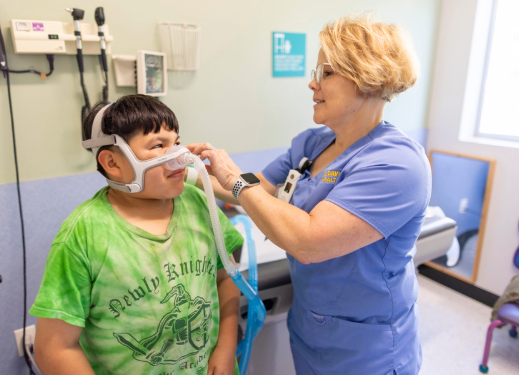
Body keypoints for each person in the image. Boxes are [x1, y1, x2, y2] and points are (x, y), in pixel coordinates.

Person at [188, 15, 430, 375]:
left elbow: (309, 241)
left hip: (367, 348)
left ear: (368, 77)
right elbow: (259, 189)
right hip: (309, 329)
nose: (311, 83)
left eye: (326, 73)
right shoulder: (312, 144)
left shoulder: (397, 164)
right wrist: (188, 174)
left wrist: (233, 177)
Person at [30, 95, 243, 375]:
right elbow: (54, 349)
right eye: (159, 145)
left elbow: (226, 276)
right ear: (113, 162)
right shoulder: (83, 235)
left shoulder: (198, 204)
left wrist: (226, 349)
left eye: (176, 142)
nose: (181, 156)